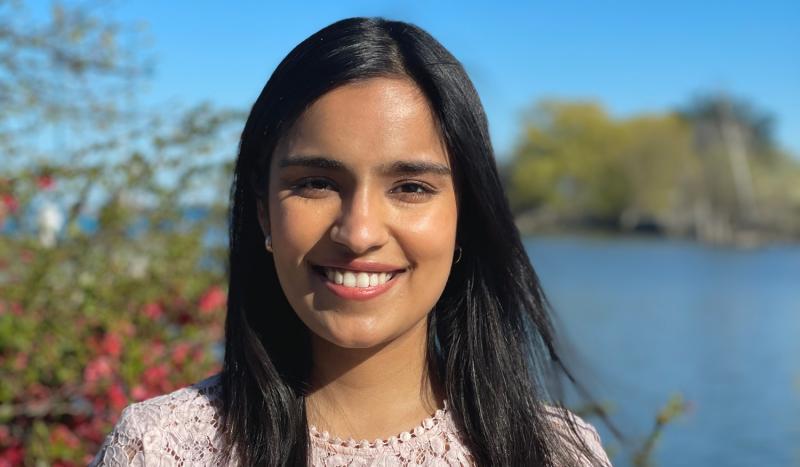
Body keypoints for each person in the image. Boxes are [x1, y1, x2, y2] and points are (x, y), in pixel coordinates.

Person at [91, 17, 613, 466]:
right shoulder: (158, 448)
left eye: (411, 187)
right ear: (262, 209)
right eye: (317, 183)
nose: (359, 233)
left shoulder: (555, 453)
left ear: (465, 218)